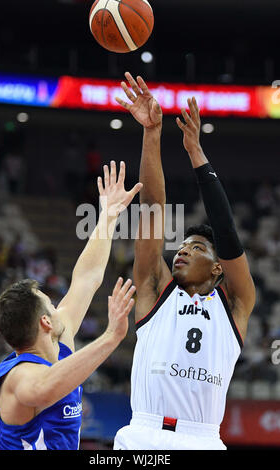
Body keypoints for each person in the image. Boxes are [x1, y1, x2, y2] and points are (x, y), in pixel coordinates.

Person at [113, 73, 256, 451]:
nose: (183, 250)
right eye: (182, 245)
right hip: (141, 434)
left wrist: (197, 155)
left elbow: (227, 233)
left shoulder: (237, 304)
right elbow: (153, 209)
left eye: (196, 248)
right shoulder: (154, 289)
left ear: (218, 267)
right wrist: (152, 133)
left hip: (203, 439)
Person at [0, 161, 142, 450]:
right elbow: (43, 387)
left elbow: (86, 278)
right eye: (50, 304)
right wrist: (111, 338)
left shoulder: (61, 339)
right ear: (45, 322)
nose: (58, 305)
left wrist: (108, 217)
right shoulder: (18, 374)